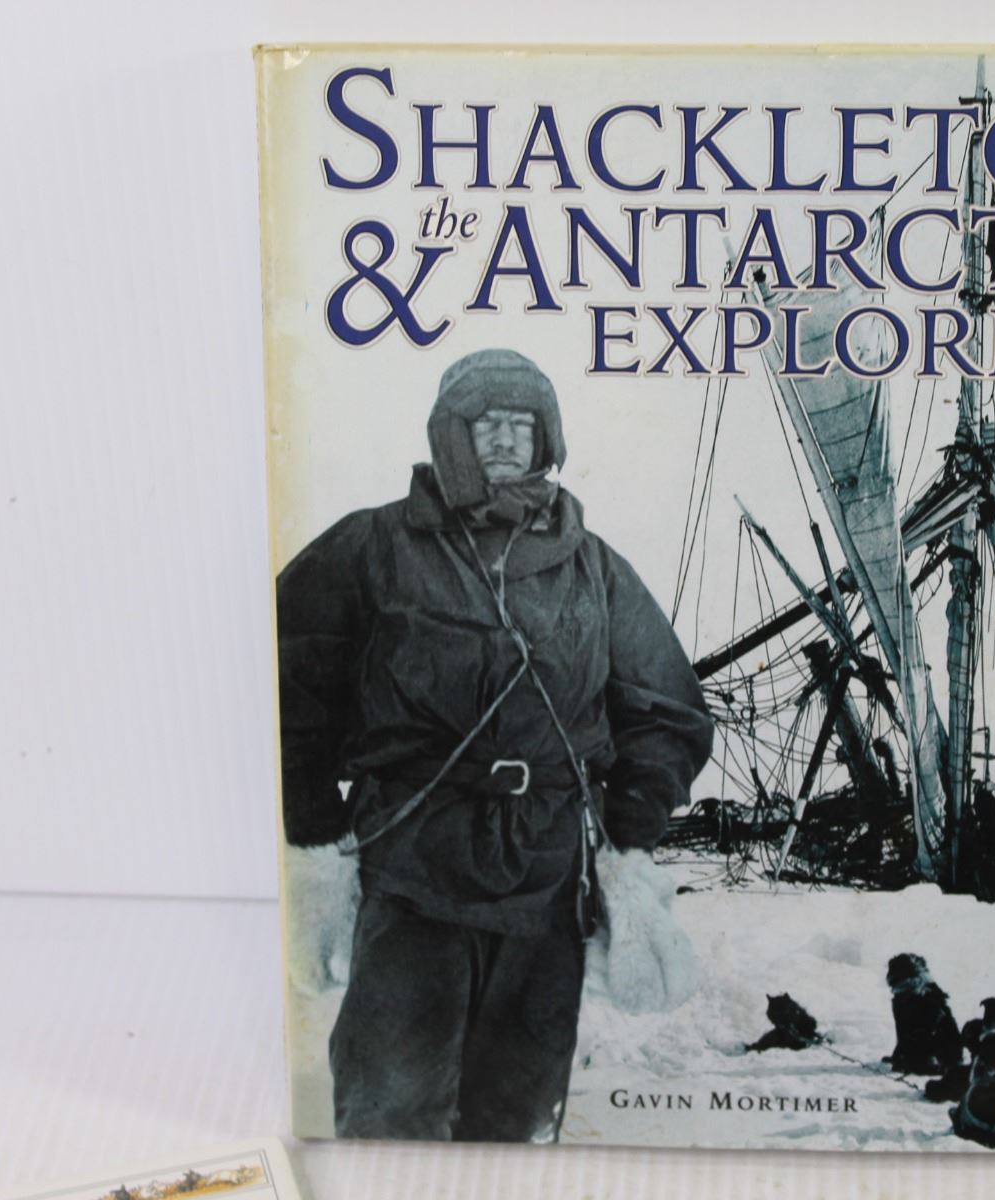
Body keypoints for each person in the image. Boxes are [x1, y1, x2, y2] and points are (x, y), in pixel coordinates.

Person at [275, 347, 714, 1142]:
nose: (506, 438)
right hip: (413, 866)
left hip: (546, 880)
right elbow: (280, 670)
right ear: (453, 434)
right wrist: (310, 814)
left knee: (515, 1121)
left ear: (547, 437)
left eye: (522, 422)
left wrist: (631, 826)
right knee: (391, 1111)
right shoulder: (375, 545)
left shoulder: (593, 568)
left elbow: (668, 708)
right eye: (486, 422)